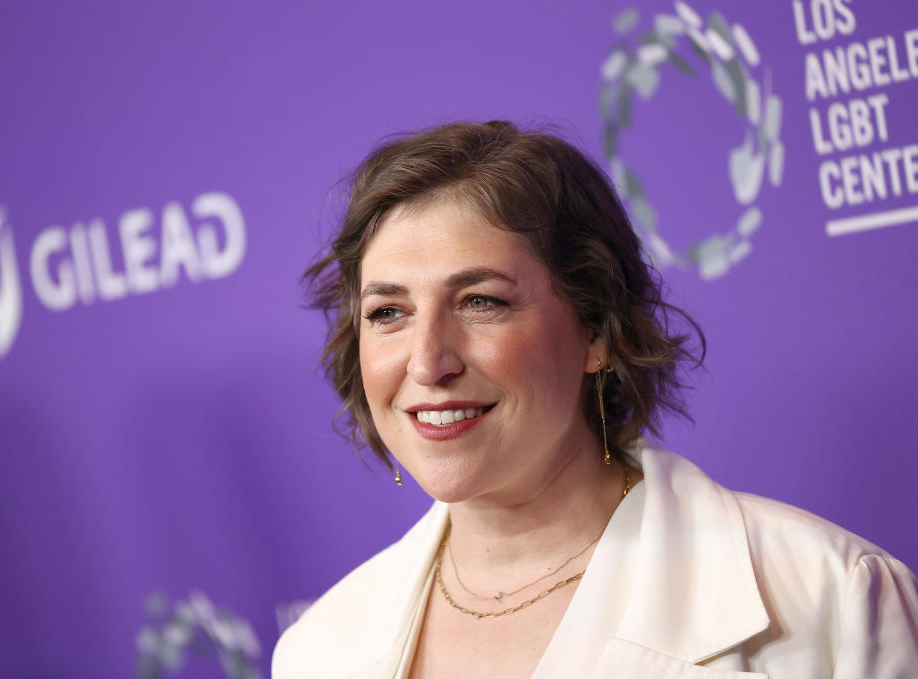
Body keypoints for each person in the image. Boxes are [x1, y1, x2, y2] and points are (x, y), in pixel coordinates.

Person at [272, 121, 918, 678]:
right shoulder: (318, 650)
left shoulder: (832, 594)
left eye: (481, 301)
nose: (428, 360)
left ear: (597, 329)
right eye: (388, 311)